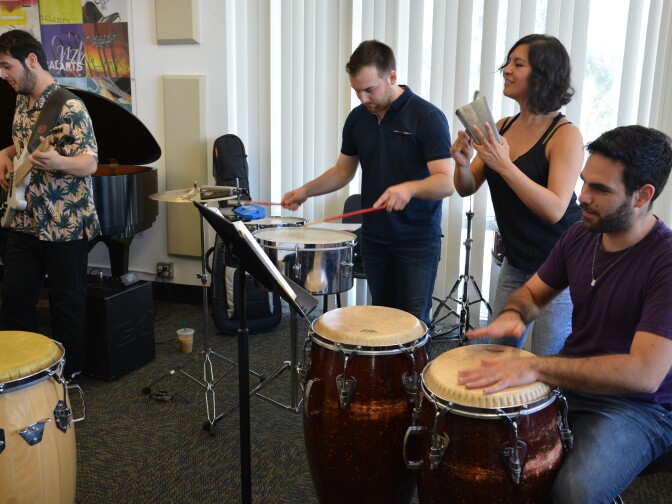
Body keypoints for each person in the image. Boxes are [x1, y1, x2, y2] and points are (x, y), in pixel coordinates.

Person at [458, 125, 672, 504]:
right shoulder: (579, 236)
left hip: (639, 409)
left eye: (601, 190)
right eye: (585, 181)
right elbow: (532, 294)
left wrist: (538, 368)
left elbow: (643, 375)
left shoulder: (665, 263)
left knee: (577, 493)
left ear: (643, 196)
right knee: (487, 446)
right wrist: (515, 312)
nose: (582, 197)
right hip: (572, 386)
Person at [281, 40, 453, 325]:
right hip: (375, 237)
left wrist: (409, 188)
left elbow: (446, 182)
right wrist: (305, 191)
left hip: (417, 240)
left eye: (370, 89)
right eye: (356, 90)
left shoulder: (428, 117)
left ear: (392, 77)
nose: (362, 98)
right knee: (381, 321)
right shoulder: (358, 119)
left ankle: (415, 373)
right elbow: (342, 171)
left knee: (412, 324)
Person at [451, 34, 584, 355]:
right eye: (507, 62)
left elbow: (554, 208)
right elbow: (467, 186)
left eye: (517, 63)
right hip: (517, 261)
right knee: (496, 352)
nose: (506, 70)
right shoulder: (502, 127)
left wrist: (505, 164)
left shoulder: (565, 134)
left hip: (560, 266)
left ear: (543, 74)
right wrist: (461, 164)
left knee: (546, 359)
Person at [0, 29, 100, 380]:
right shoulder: (21, 100)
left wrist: (59, 163)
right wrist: (6, 152)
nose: (3, 75)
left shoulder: (70, 107)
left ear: (31, 60)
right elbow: (24, 142)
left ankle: (67, 379)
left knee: (67, 306)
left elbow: (89, 163)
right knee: (14, 301)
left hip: (64, 222)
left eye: (6, 66)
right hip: (25, 220)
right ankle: (20, 378)